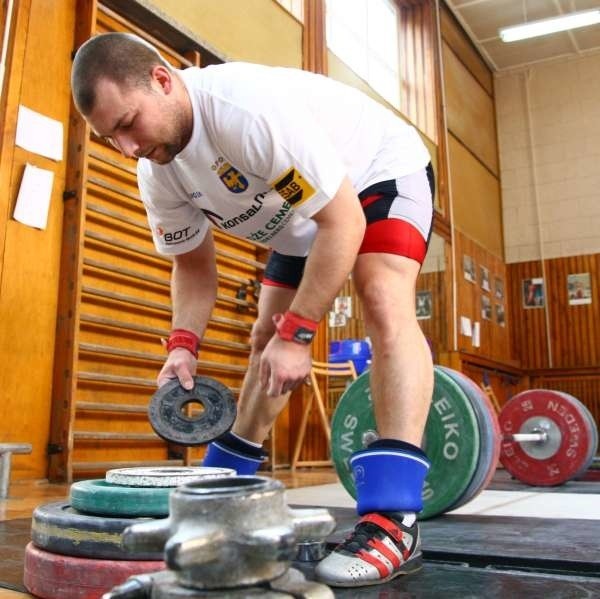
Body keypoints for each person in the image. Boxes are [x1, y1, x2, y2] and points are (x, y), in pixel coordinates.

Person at [71, 32, 434, 588]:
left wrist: (302, 333)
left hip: (373, 173)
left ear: (163, 80)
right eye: (110, 137)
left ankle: (394, 517)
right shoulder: (157, 170)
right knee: (265, 335)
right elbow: (193, 269)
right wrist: (182, 346)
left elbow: (344, 224)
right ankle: (226, 484)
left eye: (127, 124)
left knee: (381, 298)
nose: (127, 147)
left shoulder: (244, 111)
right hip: (300, 216)